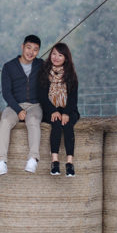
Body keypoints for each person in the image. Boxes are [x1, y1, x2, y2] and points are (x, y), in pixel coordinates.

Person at [0, 34, 44, 175]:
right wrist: (18, 109)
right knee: (4, 121)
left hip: (35, 105)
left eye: (35, 49)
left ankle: (33, 158)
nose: (31, 52)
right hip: (14, 105)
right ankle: (1, 162)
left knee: (33, 120)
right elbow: (6, 93)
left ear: (38, 51)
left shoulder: (41, 65)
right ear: (22, 47)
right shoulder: (9, 67)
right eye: (28, 48)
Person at [39, 42, 80, 177]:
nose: (56, 57)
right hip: (50, 108)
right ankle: (55, 162)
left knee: (67, 124)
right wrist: (53, 111)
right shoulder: (44, 72)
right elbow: (42, 96)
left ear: (66, 58)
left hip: (68, 108)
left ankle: (69, 162)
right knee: (56, 123)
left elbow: (73, 99)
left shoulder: (71, 75)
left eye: (60, 55)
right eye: (54, 54)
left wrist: (67, 113)